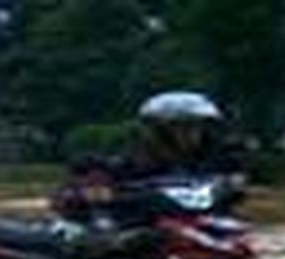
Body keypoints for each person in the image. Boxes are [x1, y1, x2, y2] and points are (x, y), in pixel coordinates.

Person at [52, 91, 247, 229]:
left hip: (202, 220)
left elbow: (235, 189)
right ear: (163, 131)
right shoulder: (140, 160)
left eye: (196, 126)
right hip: (151, 224)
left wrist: (232, 186)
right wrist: (98, 185)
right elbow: (112, 176)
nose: (191, 133)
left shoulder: (221, 158)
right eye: (182, 127)